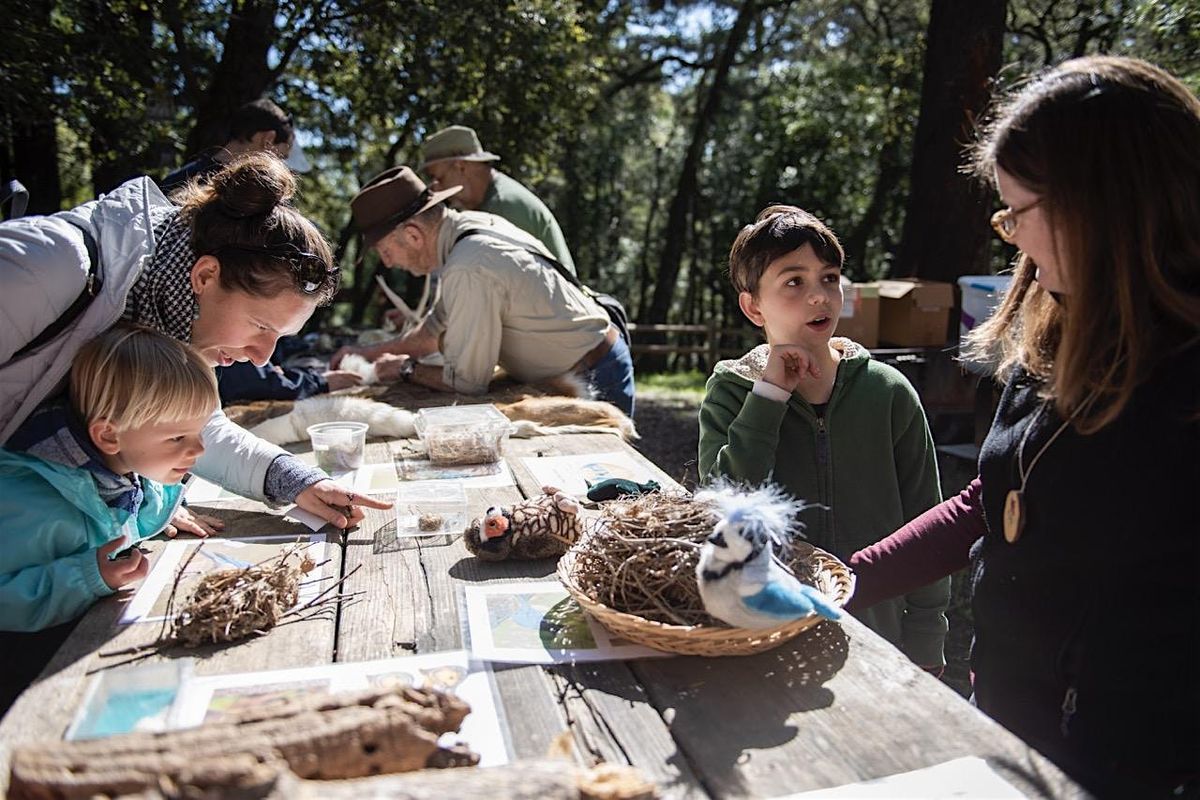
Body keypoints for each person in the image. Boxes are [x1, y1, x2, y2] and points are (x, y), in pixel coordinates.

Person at [846, 56, 1199, 798]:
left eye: (1017, 213)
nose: (1012, 240)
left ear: (1101, 205)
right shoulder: (1057, 323)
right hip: (1004, 732)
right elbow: (995, 498)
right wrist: (848, 578)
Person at [0, 153, 390, 531]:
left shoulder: (176, 315)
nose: (261, 357)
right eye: (260, 326)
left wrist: (299, 481)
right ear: (205, 276)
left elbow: (200, 428)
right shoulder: (50, 264)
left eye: (279, 338)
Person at [697, 205, 948, 668]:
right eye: (794, 281)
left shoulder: (889, 392)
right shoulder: (731, 394)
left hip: (881, 634)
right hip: (767, 635)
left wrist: (927, 640)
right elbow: (725, 508)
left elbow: (927, 524)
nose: (820, 297)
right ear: (753, 306)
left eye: (829, 277)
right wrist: (769, 395)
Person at [332, 166, 635, 417]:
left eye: (385, 252)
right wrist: (364, 353)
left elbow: (467, 382)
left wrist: (405, 369)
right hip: (588, 363)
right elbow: (429, 335)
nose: (388, 263)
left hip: (592, 376)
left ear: (412, 235)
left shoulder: (468, 267)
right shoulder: (470, 231)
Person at [0, 326, 218, 633]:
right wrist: (87, 577)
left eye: (199, 432)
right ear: (108, 436)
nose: (198, 449)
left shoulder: (123, 474)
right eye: (178, 437)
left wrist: (161, 507)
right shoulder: (31, 500)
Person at [419, 125, 576, 275]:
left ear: (461, 167)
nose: (435, 188)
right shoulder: (491, 202)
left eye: (438, 178)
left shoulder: (502, 208)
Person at [159, 99, 308, 194]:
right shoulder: (257, 198)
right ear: (268, 140)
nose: (281, 167)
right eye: (280, 157)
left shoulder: (175, 181)